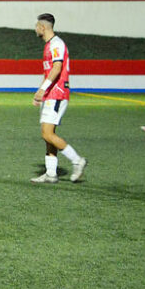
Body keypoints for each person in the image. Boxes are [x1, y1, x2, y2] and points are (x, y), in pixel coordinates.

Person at [31, 13, 87, 183]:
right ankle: (51, 173)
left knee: (47, 134)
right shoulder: (49, 45)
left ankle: (77, 160)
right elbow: (48, 71)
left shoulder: (56, 44)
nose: (35, 28)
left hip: (57, 93)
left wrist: (43, 89)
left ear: (43, 27)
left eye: (36, 25)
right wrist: (40, 93)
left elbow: (57, 68)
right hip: (50, 94)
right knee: (48, 134)